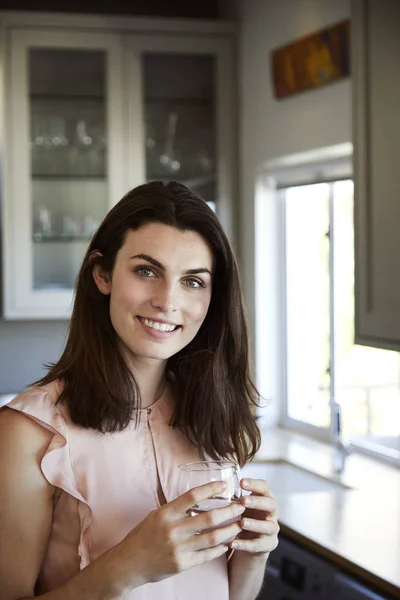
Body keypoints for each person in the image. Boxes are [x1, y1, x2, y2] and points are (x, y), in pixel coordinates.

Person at [0, 181, 279, 600]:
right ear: (103, 274)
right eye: (147, 271)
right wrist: (128, 566)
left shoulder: (216, 418)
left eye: (193, 281)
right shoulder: (27, 433)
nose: (167, 301)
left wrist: (255, 554)